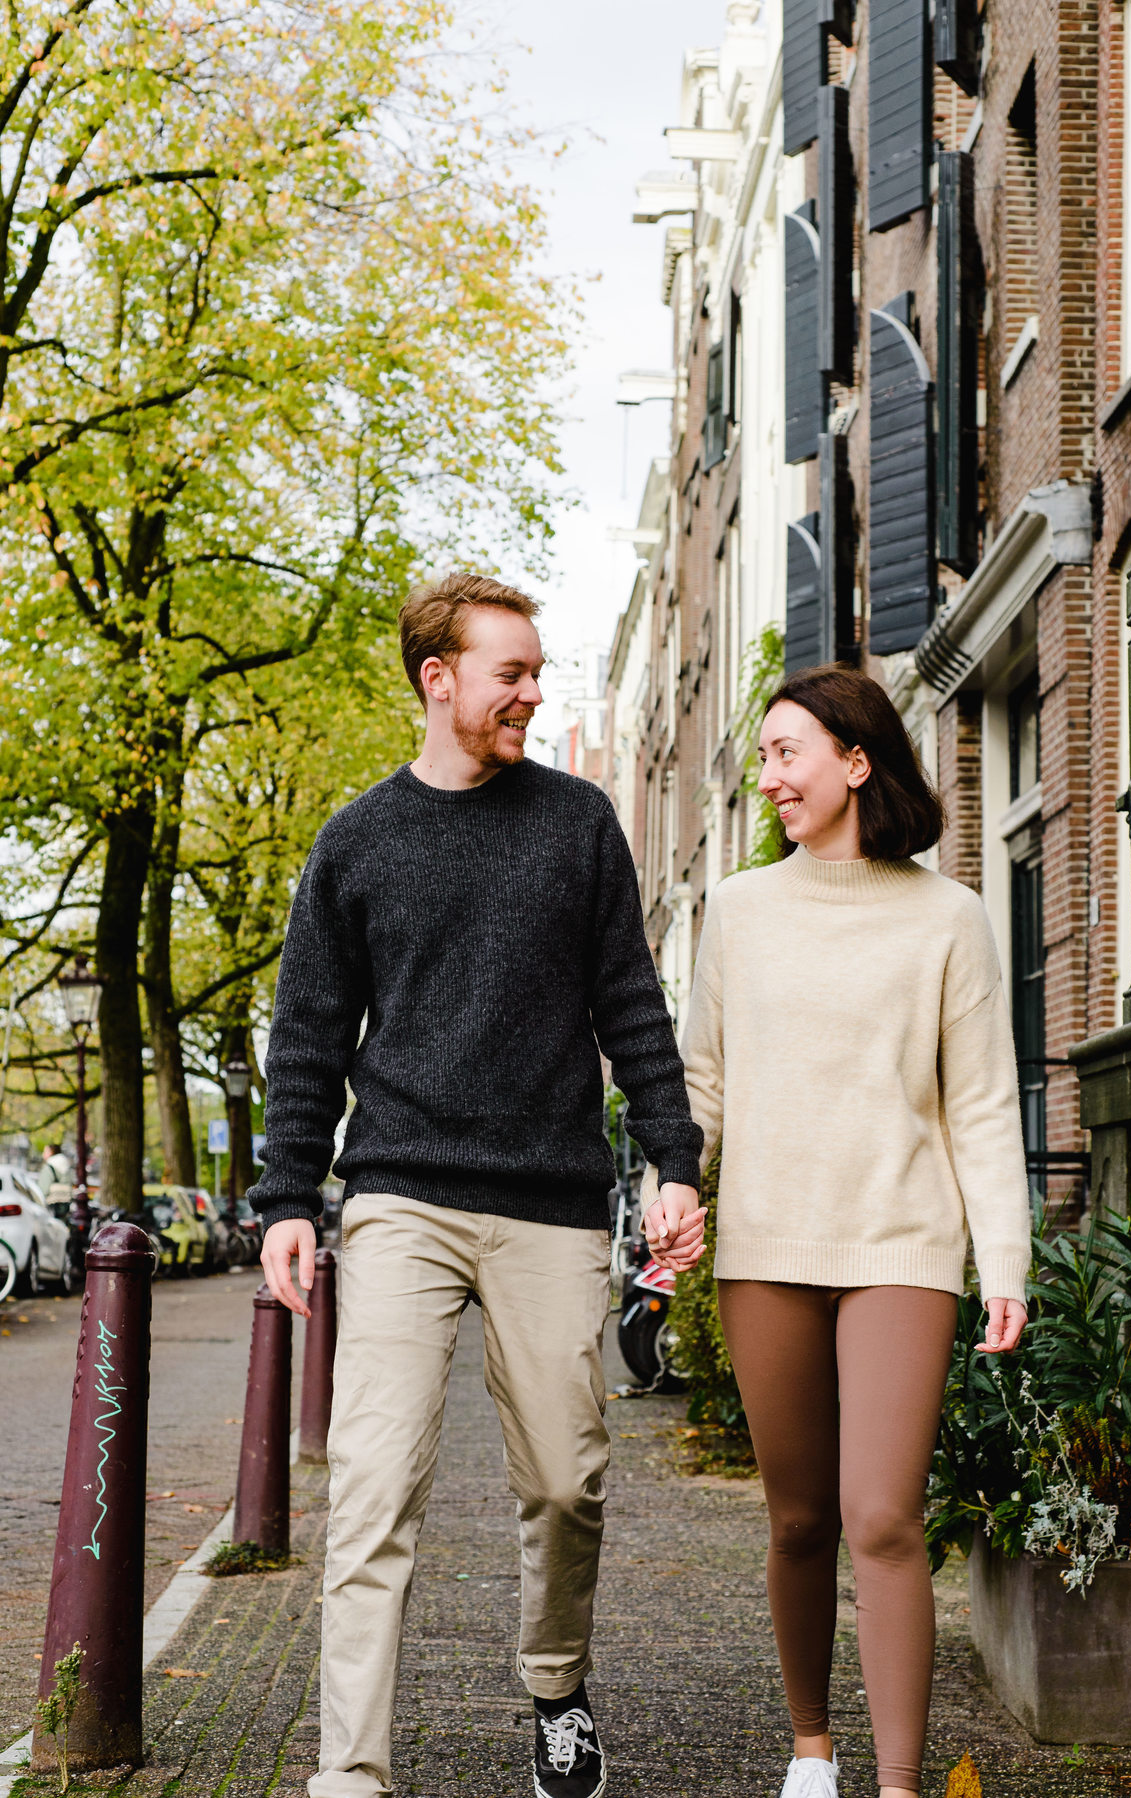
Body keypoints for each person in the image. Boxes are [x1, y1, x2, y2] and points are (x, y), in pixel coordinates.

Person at [250, 572, 706, 1798]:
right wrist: (288, 1197)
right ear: (436, 679)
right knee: (373, 1482)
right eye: (510, 673)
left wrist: (673, 1156)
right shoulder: (355, 842)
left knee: (567, 1479)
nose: (532, 693)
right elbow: (308, 1036)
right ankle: (350, 1769)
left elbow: (631, 1007)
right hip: (398, 1193)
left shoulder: (578, 824)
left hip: (549, 1200)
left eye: (537, 671)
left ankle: (554, 1684)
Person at [640, 665, 1031, 1798]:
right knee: (802, 1516)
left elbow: (983, 1104)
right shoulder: (741, 911)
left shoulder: (949, 918)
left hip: (902, 1245)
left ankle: (898, 1783)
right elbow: (700, 1080)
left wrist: (1001, 1259)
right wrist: (678, 1185)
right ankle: (813, 1750)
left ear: (856, 762)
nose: (768, 777)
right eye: (761, 757)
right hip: (766, 1249)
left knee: (882, 1515)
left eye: (785, 753)